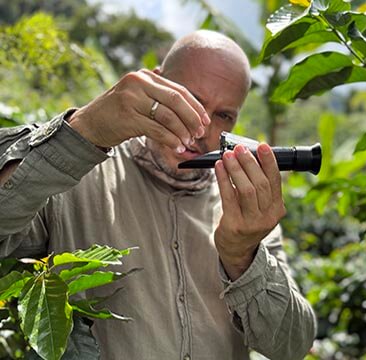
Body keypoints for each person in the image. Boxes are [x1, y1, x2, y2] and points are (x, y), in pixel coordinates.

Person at [0, 30, 316, 359]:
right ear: (156, 84)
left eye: (224, 116)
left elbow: (292, 345)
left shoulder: (245, 208)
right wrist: (85, 129)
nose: (202, 129)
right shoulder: (75, 177)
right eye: (191, 101)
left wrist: (243, 258)